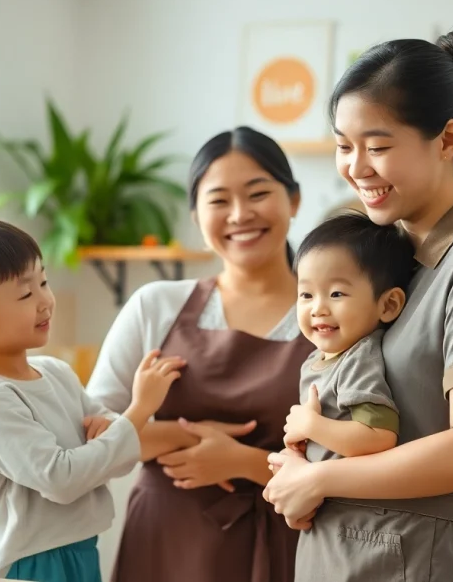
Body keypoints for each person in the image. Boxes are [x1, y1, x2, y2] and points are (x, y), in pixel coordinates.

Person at [263, 30, 453, 582]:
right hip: (341, 553)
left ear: (446, 140)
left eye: (378, 145)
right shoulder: (388, 257)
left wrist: (319, 481)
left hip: (420, 558)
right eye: (345, 146)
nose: (357, 166)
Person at [85, 126, 317, 582]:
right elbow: (90, 435)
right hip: (164, 544)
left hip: (287, 540)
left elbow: (358, 454)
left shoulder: (333, 316)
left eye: (257, 193)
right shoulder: (155, 305)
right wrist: (183, 436)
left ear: (293, 200)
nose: (239, 214)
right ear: (195, 215)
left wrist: (243, 461)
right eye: (218, 200)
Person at [0, 219, 180, 582]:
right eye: (25, 294)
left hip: (82, 550)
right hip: (32, 565)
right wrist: (140, 409)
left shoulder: (56, 373)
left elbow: (113, 454)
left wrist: (113, 432)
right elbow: (63, 479)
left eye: (44, 282)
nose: (46, 301)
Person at [282, 212, 416, 463]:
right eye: (306, 295)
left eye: (336, 294)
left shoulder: (359, 360)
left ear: (387, 305)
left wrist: (311, 425)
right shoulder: (315, 359)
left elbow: (378, 436)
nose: (317, 308)